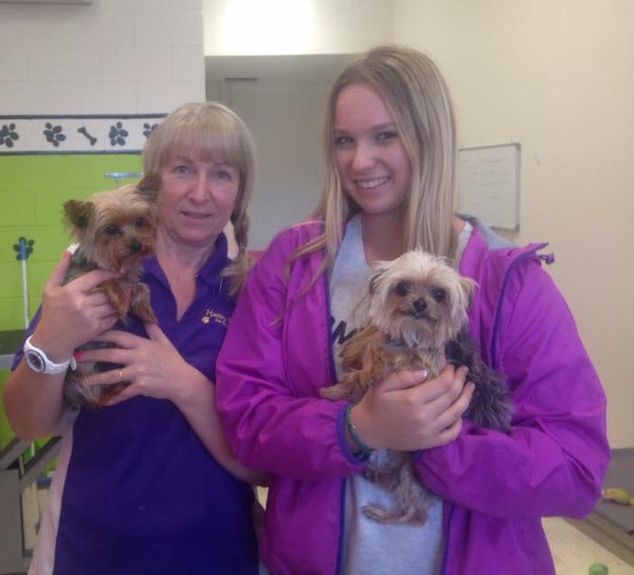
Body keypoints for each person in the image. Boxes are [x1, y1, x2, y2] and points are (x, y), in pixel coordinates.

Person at [214, 45, 609, 575]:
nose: (359, 161)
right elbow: (246, 419)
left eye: (385, 135)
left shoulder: (507, 283)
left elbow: (575, 468)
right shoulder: (293, 265)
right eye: (343, 141)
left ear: (429, 136)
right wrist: (357, 428)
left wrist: (435, 443)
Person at [3, 101, 265, 575]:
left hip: (218, 553)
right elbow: (26, 424)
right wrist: (49, 344)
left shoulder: (254, 290)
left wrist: (182, 383)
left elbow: (267, 464)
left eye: (222, 174)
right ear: (152, 182)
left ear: (240, 190)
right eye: (182, 169)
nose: (200, 193)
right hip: (92, 550)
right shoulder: (90, 281)